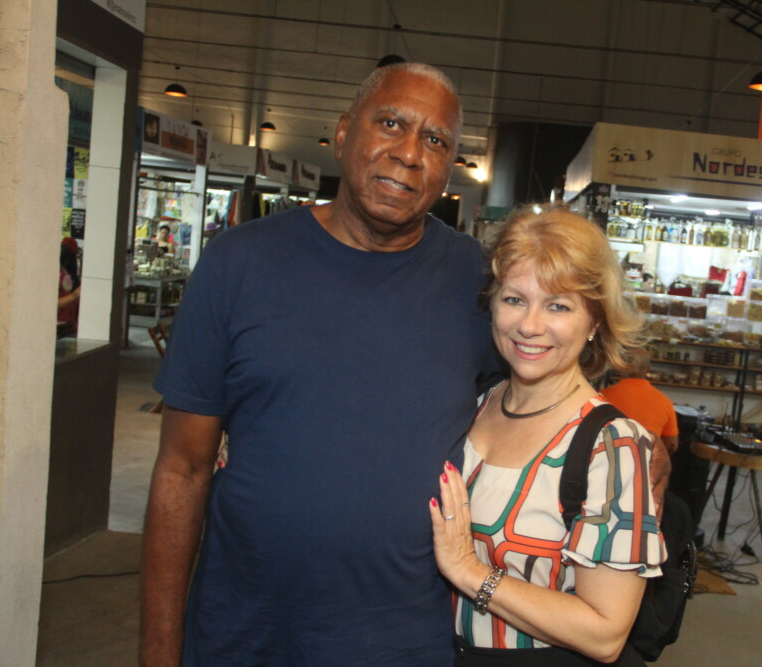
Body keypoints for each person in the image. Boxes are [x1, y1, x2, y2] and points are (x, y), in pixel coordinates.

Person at [140, 62, 503, 666]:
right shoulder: (239, 264)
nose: (409, 153)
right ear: (342, 133)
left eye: (436, 140)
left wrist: (625, 444)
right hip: (246, 631)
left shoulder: (479, 283)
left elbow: (538, 404)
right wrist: (158, 652)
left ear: (448, 170)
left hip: (407, 639)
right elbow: (182, 470)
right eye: (391, 124)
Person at [430, 209, 663, 666]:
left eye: (558, 306)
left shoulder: (610, 445)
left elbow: (604, 633)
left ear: (594, 321)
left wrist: (470, 571)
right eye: (515, 299)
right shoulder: (474, 404)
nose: (530, 326)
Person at [600, 351, 679, 518]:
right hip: (646, 475)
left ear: (622, 367)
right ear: (648, 369)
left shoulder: (603, 396)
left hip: (605, 469)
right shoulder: (665, 402)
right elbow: (672, 445)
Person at [57, 237, 81, 338]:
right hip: (63, 323)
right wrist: (74, 296)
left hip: (67, 323)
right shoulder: (61, 273)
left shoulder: (63, 272)